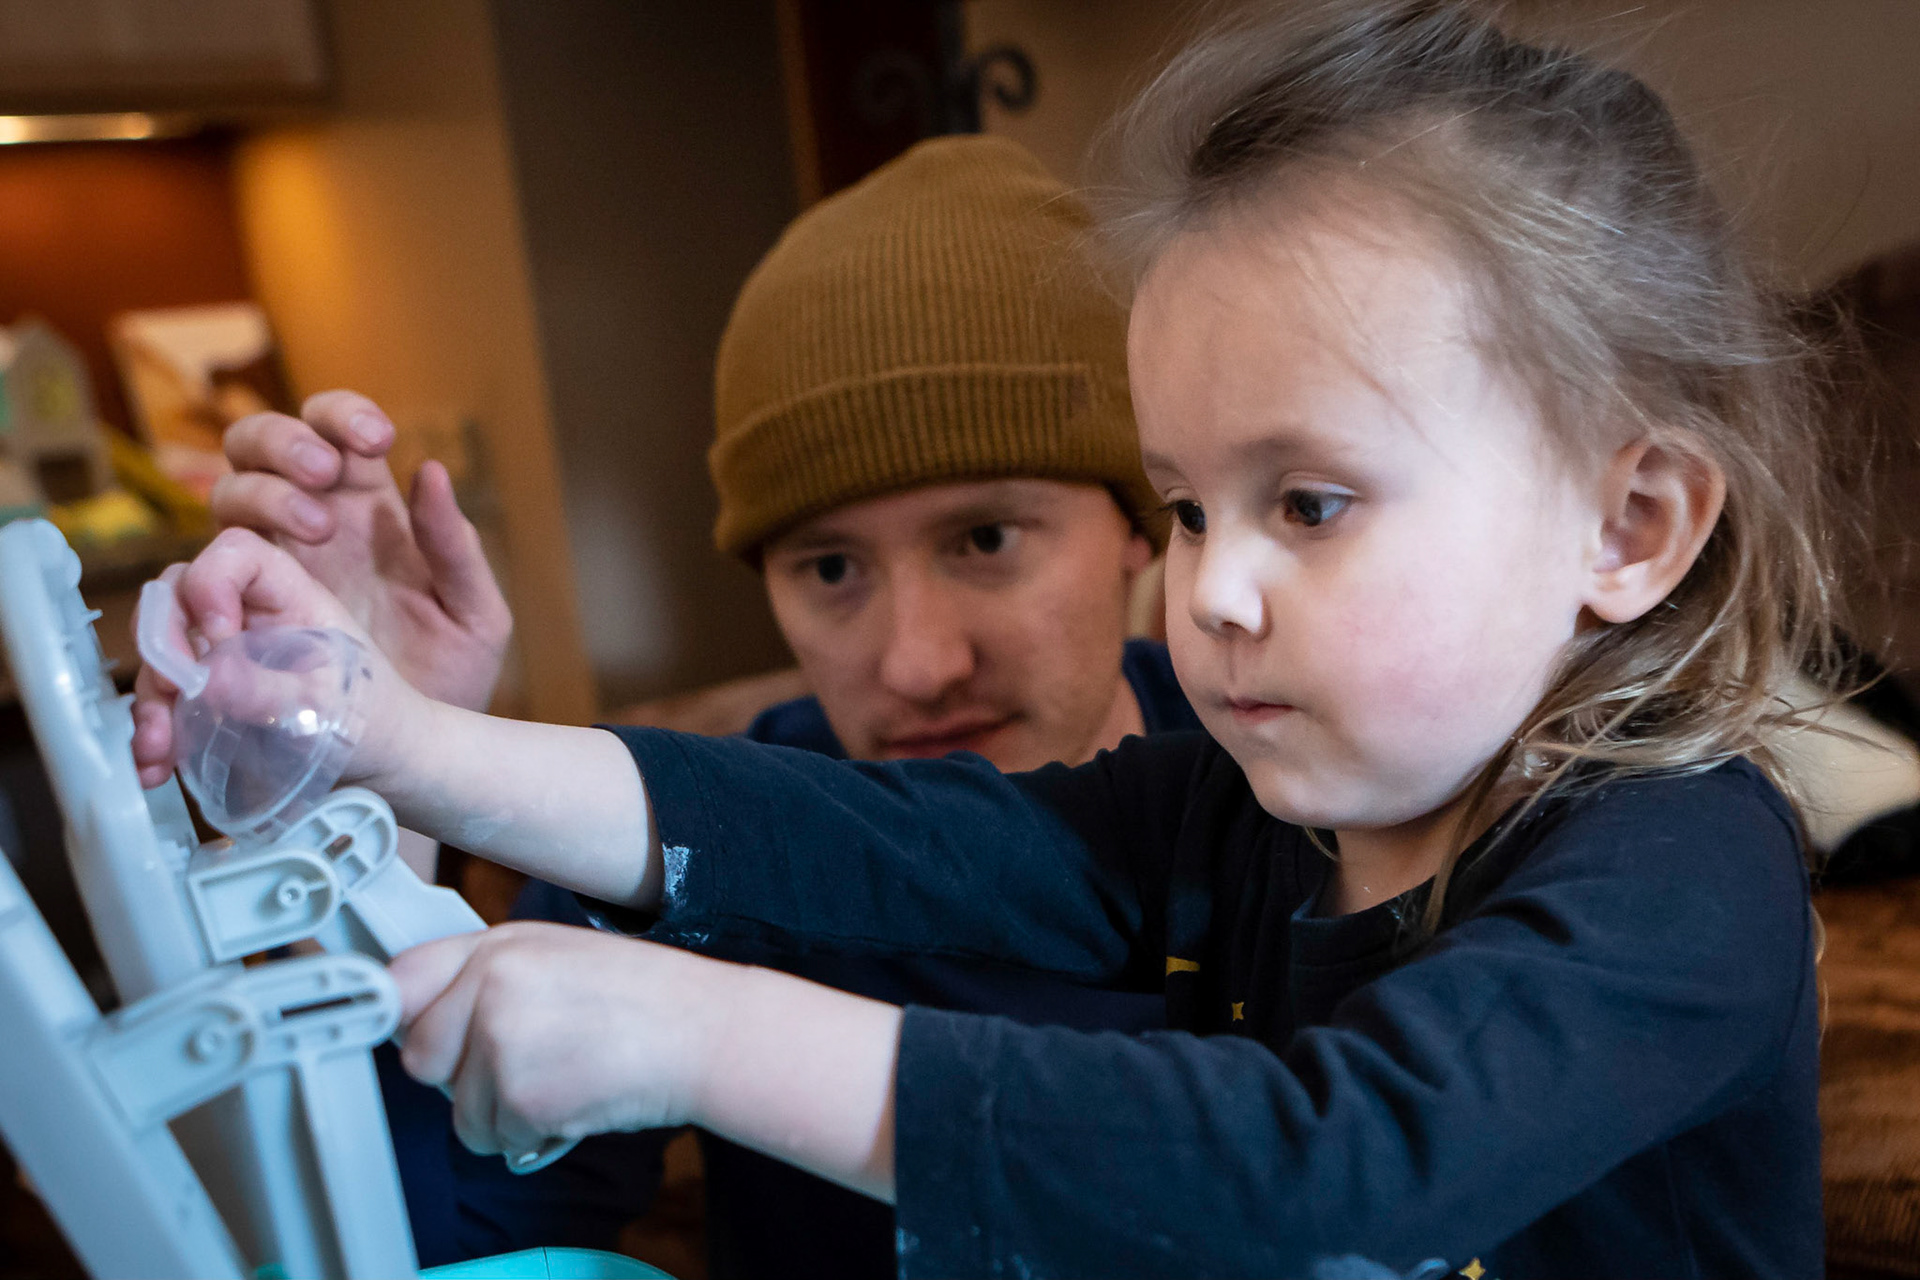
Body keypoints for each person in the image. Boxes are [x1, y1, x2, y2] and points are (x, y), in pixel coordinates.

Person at [136, 3, 1864, 1274]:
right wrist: (386, 739)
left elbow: (1336, 1159)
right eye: (1193, 510)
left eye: (1311, 504)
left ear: (1628, 530)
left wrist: (693, 1028)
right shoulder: (1232, 814)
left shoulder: (1681, 866)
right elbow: (859, 839)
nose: (1215, 592)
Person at [207, 136, 1196, 1272]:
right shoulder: (683, 844)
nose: (918, 663)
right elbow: (437, 1245)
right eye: (831, 569)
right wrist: (391, 784)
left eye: (985, 540)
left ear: (1143, 522)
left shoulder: (1295, 806)